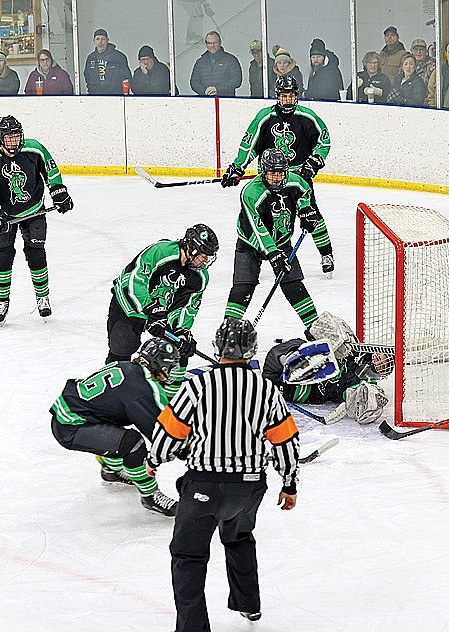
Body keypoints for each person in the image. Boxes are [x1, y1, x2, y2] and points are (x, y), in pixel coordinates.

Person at [148, 318, 300, 632]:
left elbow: (170, 432)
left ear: (218, 348)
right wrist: (289, 482)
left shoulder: (196, 387)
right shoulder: (266, 390)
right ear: (252, 350)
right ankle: (249, 605)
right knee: (238, 538)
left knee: (188, 555)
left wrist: (154, 459)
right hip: (249, 487)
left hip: (204, 486)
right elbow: (285, 440)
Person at [50, 337, 182, 516]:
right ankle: (150, 496)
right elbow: (163, 433)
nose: (169, 372)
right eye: (169, 367)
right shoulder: (141, 387)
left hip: (71, 416)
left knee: (116, 433)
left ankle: (111, 471)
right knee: (132, 443)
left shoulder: (126, 366)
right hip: (72, 426)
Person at [221, 75, 334, 270]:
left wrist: (314, 162)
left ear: (296, 96)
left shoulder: (307, 117)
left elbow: (324, 141)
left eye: (290, 96)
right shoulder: (265, 117)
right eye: (283, 96)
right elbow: (250, 144)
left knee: (311, 214)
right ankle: (261, 255)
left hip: (297, 180)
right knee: (264, 218)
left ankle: (327, 254)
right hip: (268, 180)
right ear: (277, 96)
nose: (287, 100)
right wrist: (238, 167)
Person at [0, 116, 73, 324]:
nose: (14, 141)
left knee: (36, 253)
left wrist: (58, 191)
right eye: (9, 137)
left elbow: (51, 170)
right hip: (6, 217)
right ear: (0, 138)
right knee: (2, 256)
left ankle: (43, 297)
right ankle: (2, 302)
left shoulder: (34, 149)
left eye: (17, 136)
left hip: (34, 211)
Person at [106, 225, 219, 396]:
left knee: (180, 349)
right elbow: (135, 279)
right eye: (203, 256)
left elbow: (186, 307)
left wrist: (180, 331)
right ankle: (112, 394)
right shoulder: (161, 252)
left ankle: (167, 402)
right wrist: (150, 310)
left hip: (161, 313)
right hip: (129, 305)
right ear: (191, 247)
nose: (205, 261)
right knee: (123, 345)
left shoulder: (199, 277)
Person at [223, 148, 330, 328]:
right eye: (272, 173)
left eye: (280, 173)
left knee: (293, 283)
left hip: (282, 242)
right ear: (263, 171)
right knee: (243, 287)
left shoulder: (295, 182)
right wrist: (273, 254)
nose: (277, 177)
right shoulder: (251, 193)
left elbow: (305, 192)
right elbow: (257, 230)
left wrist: (305, 210)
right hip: (251, 245)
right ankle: (228, 331)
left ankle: (314, 327)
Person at [262, 313, 392, 425]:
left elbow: (363, 410)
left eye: (382, 365)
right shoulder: (353, 347)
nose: (377, 362)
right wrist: (335, 338)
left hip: (289, 390)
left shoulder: (364, 385)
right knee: (324, 336)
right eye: (380, 357)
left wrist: (364, 403)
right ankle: (293, 361)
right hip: (277, 361)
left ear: (382, 374)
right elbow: (315, 330)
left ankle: (297, 368)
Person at [190, 31, 242, 96]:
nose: (212, 45)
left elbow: (236, 80)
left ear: (220, 43)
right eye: (209, 43)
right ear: (206, 44)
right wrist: (205, 91)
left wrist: (217, 89)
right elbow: (194, 82)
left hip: (226, 101)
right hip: (205, 100)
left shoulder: (231, 60)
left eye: (215, 43)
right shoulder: (200, 62)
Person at [84, 28, 130, 95]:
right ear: (93, 41)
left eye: (103, 39)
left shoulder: (119, 57)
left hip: (115, 97)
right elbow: (87, 77)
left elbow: (126, 78)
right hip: (96, 97)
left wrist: (124, 96)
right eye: (97, 39)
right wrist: (92, 93)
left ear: (107, 40)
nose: (100, 42)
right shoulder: (91, 58)